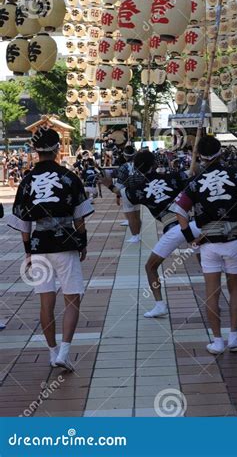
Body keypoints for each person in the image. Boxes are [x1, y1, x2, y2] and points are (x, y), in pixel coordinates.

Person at [7, 127, 93, 371]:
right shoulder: (69, 177)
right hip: (65, 245)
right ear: (57, 149)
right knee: (72, 297)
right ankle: (65, 351)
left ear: (35, 151)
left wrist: (28, 251)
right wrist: (82, 242)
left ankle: (52, 351)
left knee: (45, 301)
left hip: (39, 245)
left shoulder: (26, 182)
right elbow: (80, 217)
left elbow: (23, 223)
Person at [174, 136, 237, 355]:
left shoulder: (196, 180)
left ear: (200, 156)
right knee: (235, 288)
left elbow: (179, 211)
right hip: (234, 239)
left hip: (208, 242)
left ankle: (216, 341)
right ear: (221, 152)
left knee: (211, 292)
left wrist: (190, 238)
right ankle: (234, 337)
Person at [108, 149, 191, 318]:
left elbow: (120, 192)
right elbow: (192, 172)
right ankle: (215, 298)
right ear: (155, 164)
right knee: (204, 258)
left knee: (150, 267)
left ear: (137, 169)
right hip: (193, 223)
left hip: (173, 228)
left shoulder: (138, 189)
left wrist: (108, 184)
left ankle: (160, 305)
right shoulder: (173, 177)